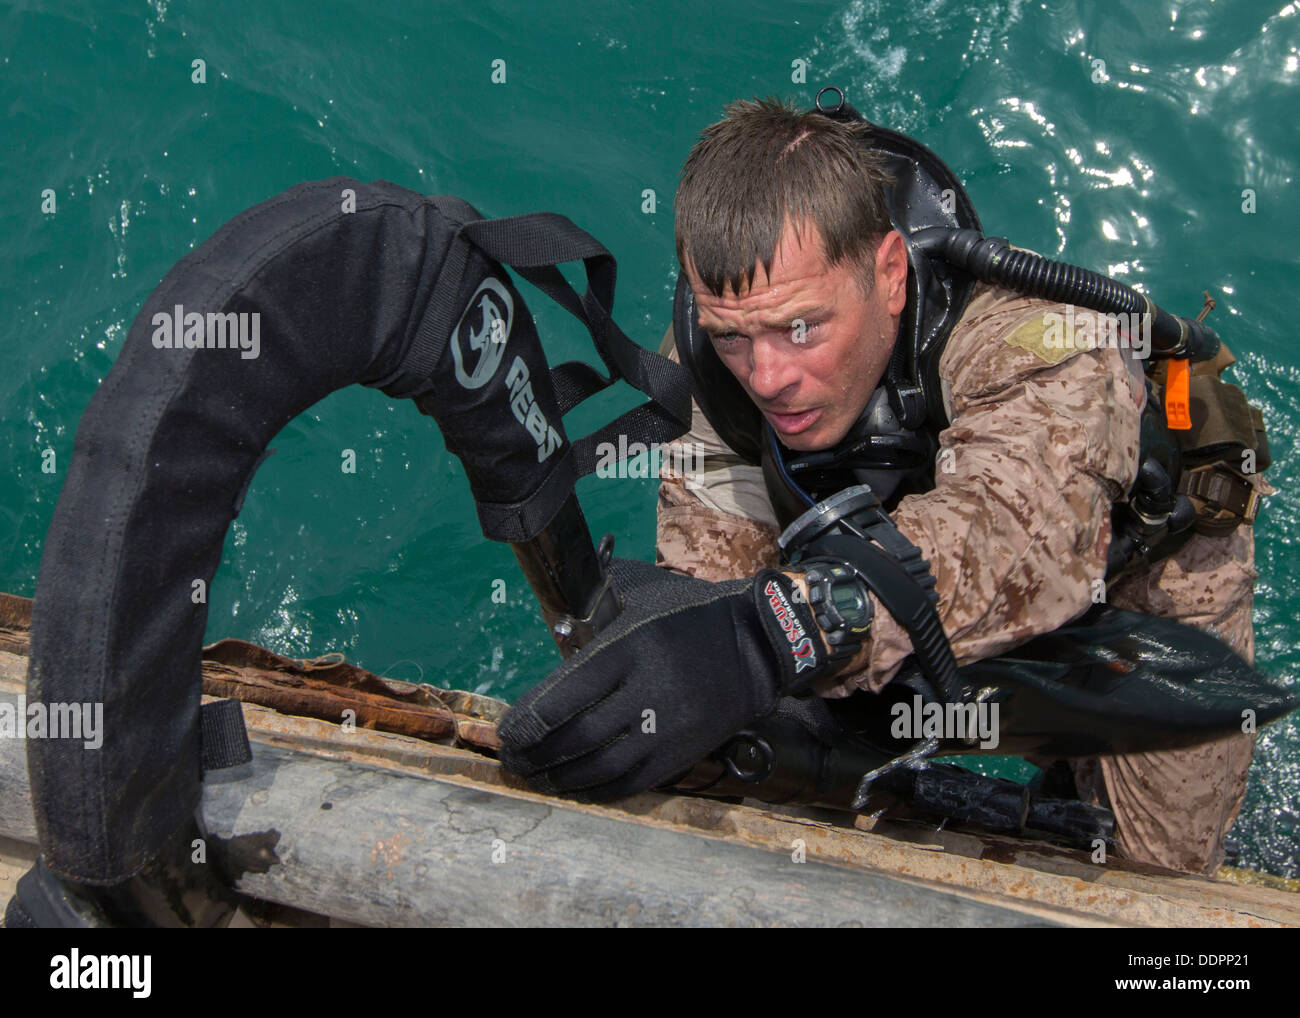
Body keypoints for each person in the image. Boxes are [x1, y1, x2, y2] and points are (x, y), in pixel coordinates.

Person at [497, 97, 1277, 877]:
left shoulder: (1041, 341)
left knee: (1155, 884)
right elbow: (722, 589)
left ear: (891, 275)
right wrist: (694, 657)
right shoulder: (713, 361)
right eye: (735, 335)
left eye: (802, 327)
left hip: (1136, 585)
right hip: (885, 582)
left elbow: (1011, 546)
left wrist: (777, 634)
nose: (767, 376)